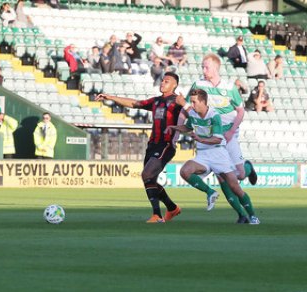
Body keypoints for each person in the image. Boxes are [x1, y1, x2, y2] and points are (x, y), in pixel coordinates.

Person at [96, 72, 185, 223]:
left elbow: (190, 118)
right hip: (152, 145)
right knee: (150, 180)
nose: (162, 83)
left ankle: (157, 215)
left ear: (175, 85)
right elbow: (134, 103)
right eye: (162, 80)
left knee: (147, 175)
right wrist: (110, 97)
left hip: (166, 145)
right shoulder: (156, 101)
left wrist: (184, 109)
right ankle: (172, 208)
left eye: (167, 81)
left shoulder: (177, 101)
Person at [177, 53, 258, 219]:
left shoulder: (229, 88)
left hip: (228, 135)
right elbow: (186, 110)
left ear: (216, 67)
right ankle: (242, 215)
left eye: (206, 66)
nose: (203, 69)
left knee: (240, 175)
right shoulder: (198, 85)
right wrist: (177, 132)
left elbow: (241, 111)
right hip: (210, 140)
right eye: (202, 66)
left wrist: (230, 131)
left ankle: (248, 168)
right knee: (223, 178)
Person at [166, 89, 260, 224]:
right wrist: (173, 127)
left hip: (218, 154)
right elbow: (187, 127)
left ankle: (252, 216)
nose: (192, 105)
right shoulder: (193, 114)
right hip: (203, 155)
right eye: (191, 102)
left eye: (194, 102)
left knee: (235, 188)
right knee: (184, 171)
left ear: (203, 102)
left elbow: (216, 139)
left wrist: (200, 139)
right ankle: (210, 192)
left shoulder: (214, 116)